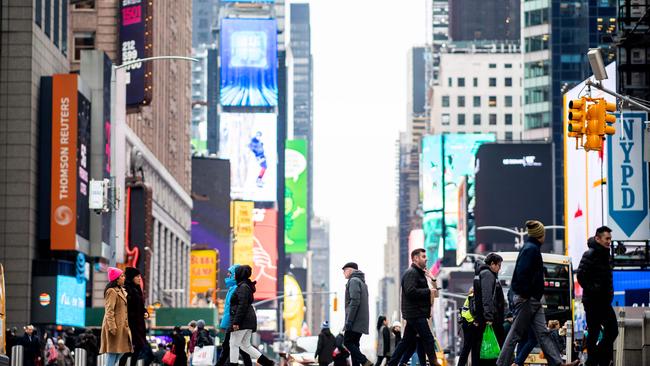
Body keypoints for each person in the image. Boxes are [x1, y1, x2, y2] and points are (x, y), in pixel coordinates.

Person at [496, 221, 578, 366]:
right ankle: (501, 364)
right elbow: (522, 275)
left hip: (533, 300)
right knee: (515, 334)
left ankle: (558, 363)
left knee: (543, 333)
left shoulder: (531, 248)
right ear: (540, 234)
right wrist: (527, 295)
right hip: (528, 300)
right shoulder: (530, 250)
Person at [388, 249, 439, 366]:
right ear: (415, 258)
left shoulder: (419, 274)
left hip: (416, 313)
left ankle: (392, 363)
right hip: (416, 313)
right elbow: (410, 292)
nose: (426, 259)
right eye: (423, 256)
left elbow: (436, 293)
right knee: (429, 339)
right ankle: (434, 363)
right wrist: (428, 291)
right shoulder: (411, 273)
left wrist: (432, 278)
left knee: (406, 342)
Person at [577, 226, 618, 366]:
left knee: (605, 332)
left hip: (604, 302)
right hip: (594, 302)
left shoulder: (606, 254)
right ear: (597, 238)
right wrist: (594, 289)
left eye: (610, 239)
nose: (609, 242)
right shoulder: (590, 254)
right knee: (603, 331)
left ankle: (594, 361)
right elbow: (581, 275)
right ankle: (595, 361)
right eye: (607, 238)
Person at [228, 265, 274, 366]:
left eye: (236, 273)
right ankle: (267, 363)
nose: (234, 275)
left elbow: (242, 305)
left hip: (242, 321)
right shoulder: (245, 286)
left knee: (234, 344)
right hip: (247, 321)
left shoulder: (243, 287)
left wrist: (236, 322)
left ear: (240, 274)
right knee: (245, 345)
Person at [216, 265, 252, 366]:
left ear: (235, 275)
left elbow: (236, 309)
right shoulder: (233, 288)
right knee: (238, 348)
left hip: (233, 323)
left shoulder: (237, 288)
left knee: (229, 347)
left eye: (230, 273)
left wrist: (231, 324)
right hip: (232, 322)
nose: (227, 275)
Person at [100, 267, 133, 366]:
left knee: (123, 350)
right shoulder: (111, 291)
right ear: (116, 279)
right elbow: (109, 311)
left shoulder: (121, 291)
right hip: (114, 327)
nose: (124, 278)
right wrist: (112, 327)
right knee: (112, 353)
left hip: (122, 328)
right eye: (122, 276)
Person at [341, 262, 372, 366]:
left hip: (355, 321)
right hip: (360, 321)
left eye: (344, 271)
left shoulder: (353, 281)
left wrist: (349, 320)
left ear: (350, 270)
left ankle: (364, 361)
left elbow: (354, 302)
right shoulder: (362, 282)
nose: (343, 274)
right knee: (355, 345)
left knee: (347, 342)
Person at [121, 267, 149, 366]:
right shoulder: (126, 288)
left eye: (139, 276)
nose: (139, 278)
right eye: (137, 276)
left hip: (139, 324)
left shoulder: (137, 289)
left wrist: (145, 312)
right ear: (132, 277)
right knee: (129, 349)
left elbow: (141, 306)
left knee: (138, 347)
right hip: (131, 324)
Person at [457, 287, 478, 366]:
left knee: (467, 347)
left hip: (466, 324)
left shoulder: (468, 297)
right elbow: (473, 310)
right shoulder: (473, 297)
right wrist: (474, 321)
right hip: (470, 324)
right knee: (472, 347)